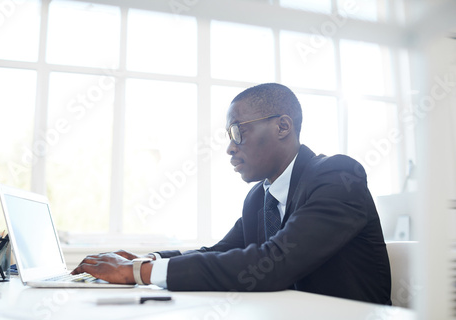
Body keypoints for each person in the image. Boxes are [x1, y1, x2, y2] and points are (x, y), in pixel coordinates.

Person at [72, 83, 392, 305]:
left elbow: (273, 263)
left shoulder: (338, 178)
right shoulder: (259, 199)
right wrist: (149, 259)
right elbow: (219, 251)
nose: (229, 147)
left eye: (238, 131)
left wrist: (138, 274)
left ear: (282, 127)